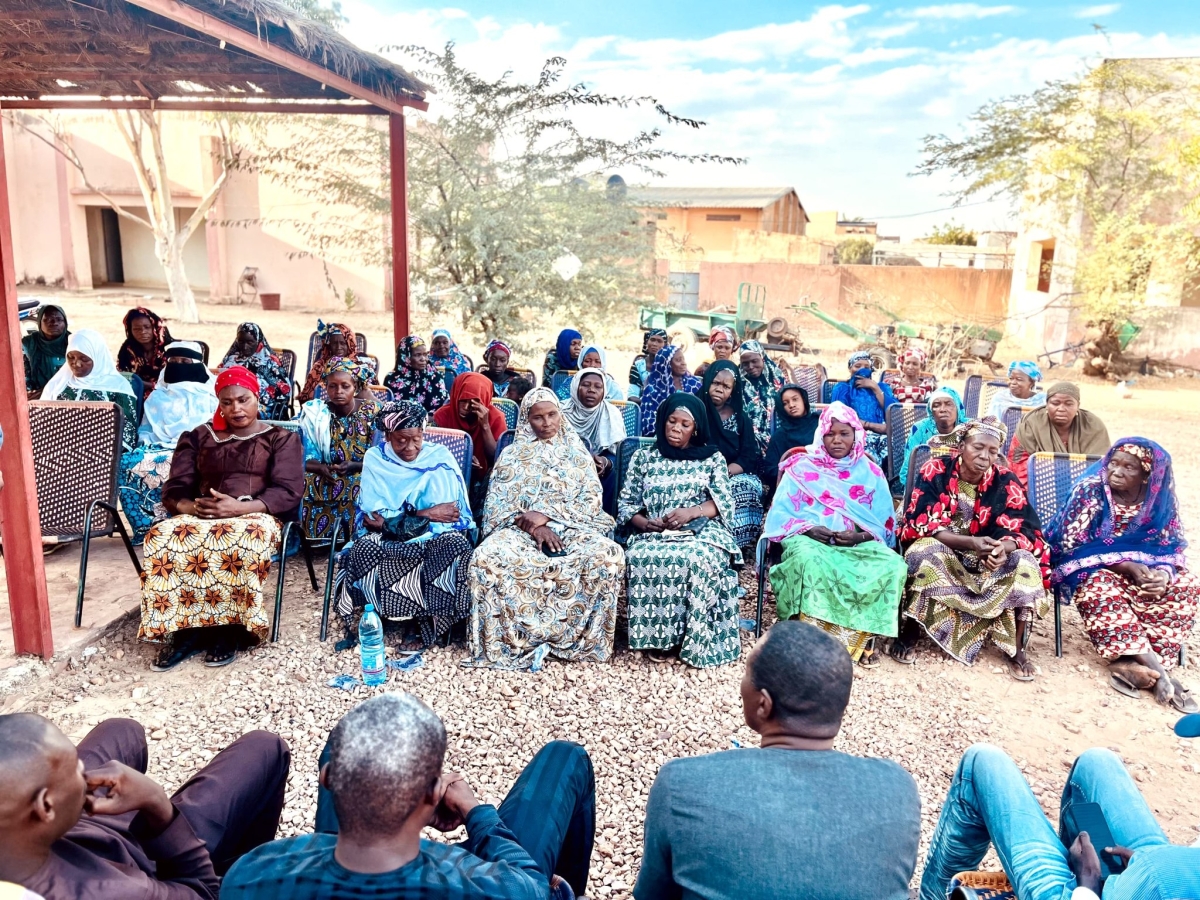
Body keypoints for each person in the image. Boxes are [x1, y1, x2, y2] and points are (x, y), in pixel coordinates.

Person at [634, 622, 920, 900]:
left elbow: (653, 894)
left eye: (746, 674)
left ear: (763, 704)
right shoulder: (897, 789)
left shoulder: (683, 785)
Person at [221, 693, 596, 900]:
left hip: (325, 871)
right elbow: (532, 885)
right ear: (433, 792)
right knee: (564, 756)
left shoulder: (248, 876)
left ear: (328, 778)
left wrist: (403, 807)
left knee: (345, 742)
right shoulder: (496, 888)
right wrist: (476, 811)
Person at [0, 712, 289, 900]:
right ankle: (235, 874)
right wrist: (157, 805)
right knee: (265, 748)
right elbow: (201, 892)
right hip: (141, 863)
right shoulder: (115, 891)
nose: (84, 770)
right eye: (77, 769)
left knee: (122, 729)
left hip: (55, 838)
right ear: (46, 807)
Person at [139, 366, 304, 671]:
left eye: (243, 400)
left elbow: (288, 491)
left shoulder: (281, 439)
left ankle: (232, 629)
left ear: (258, 399)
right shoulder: (200, 436)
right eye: (226, 402)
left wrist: (238, 509)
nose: (236, 408)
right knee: (160, 538)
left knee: (237, 539)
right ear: (218, 403)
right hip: (203, 512)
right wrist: (192, 508)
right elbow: (175, 489)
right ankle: (187, 631)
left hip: (256, 514)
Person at [919, 743, 1200, 900]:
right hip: (1156, 875)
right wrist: (1149, 868)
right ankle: (1070, 860)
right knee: (1097, 762)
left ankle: (933, 897)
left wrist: (1087, 885)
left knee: (983, 762)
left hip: (1096, 893)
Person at [467, 389, 624, 669]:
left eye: (552, 414)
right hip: (518, 531)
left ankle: (583, 644)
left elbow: (591, 502)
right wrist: (534, 528)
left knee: (609, 556)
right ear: (527, 421)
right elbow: (498, 509)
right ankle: (507, 642)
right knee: (486, 559)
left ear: (560, 415)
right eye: (537, 417)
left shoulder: (577, 454)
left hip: (574, 528)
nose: (546, 423)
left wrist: (547, 517)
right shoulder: (511, 456)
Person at [1045, 439, 1199, 714]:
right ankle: (1159, 672)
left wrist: (1163, 573)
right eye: (1113, 463)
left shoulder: (1159, 499)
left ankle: (1131, 665)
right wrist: (1124, 565)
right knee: (1097, 587)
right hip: (1094, 569)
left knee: (1186, 583)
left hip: (1146, 569)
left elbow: (1170, 546)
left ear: (1147, 475)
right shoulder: (1090, 492)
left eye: (1129, 467)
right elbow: (1066, 547)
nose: (1116, 471)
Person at [893, 417, 1050, 679]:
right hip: (947, 551)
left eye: (992, 451)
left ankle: (1016, 648)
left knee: (1024, 561)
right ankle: (911, 628)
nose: (984, 456)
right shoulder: (936, 470)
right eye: (978, 447)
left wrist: (1002, 549)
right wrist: (971, 543)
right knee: (924, 552)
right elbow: (922, 522)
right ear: (961, 446)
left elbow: (1024, 528)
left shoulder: (1005, 479)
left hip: (987, 559)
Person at [763, 402, 905, 666]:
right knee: (808, 561)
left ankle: (862, 638)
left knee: (893, 564)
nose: (837, 440)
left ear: (856, 436)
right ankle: (808, 638)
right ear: (821, 434)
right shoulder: (802, 467)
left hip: (856, 543)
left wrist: (859, 537)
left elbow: (883, 525)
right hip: (809, 540)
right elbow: (780, 516)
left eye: (844, 433)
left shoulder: (870, 472)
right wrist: (809, 528)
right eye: (830, 433)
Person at [333, 402, 474, 648]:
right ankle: (380, 612)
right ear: (388, 436)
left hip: (434, 533)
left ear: (423, 433)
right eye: (401, 441)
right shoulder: (376, 458)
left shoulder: (440, 458)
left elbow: (450, 514)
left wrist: (400, 519)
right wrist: (427, 513)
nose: (410, 448)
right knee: (366, 547)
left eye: (416, 439)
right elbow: (374, 517)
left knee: (453, 545)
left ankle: (426, 622)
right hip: (395, 531)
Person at [620, 393, 742, 667]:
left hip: (702, 530)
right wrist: (643, 522)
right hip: (654, 530)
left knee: (695, 560)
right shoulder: (644, 457)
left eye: (684, 424)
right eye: (671, 421)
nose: (676, 428)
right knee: (643, 558)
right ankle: (657, 638)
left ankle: (691, 636)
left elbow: (723, 503)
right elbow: (627, 504)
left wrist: (692, 512)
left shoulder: (712, 458)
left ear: (695, 428)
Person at [118, 342, 217, 542]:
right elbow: (146, 430)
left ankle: (193, 525)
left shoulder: (211, 396)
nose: (179, 365)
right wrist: (147, 446)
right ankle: (148, 528)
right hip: (159, 446)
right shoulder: (157, 396)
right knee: (127, 463)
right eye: (174, 361)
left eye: (185, 361)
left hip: (200, 447)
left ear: (197, 363)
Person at [296, 357, 378, 542]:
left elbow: (382, 455)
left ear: (355, 387)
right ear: (325, 386)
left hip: (363, 470)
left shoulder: (372, 413)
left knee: (357, 484)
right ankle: (314, 538)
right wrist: (320, 468)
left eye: (345, 386)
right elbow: (305, 454)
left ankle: (354, 538)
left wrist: (356, 465)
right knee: (305, 481)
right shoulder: (316, 413)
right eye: (332, 386)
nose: (338, 391)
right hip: (325, 470)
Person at [700, 360, 764, 552]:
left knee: (744, 488)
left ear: (733, 390)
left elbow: (748, 456)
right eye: (716, 383)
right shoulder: (694, 410)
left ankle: (734, 547)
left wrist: (724, 473)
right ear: (708, 381)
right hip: (698, 471)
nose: (720, 389)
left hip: (732, 472)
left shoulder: (740, 418)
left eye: (726, 386)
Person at [41, 329, 138, 450]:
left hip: (102, 453)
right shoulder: (58, 384)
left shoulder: (118, 386)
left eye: (84, 359)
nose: (76, 364)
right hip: (58, 449)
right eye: (71, 357)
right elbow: (42, 421)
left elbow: (128, 430)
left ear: (97, 357)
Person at [1008, 381, 1111, 485]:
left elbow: (1100, 466)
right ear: (1047, 405)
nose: (1061, 409)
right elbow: (1019, 465)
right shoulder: (1030, 423)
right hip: (1039, 487)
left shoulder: (1093, 425)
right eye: (1055, 403)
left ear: (1078, 406)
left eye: (1069, 404)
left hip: (1083, 487)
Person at [432, 371, 507, 510]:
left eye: (473, 403)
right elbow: (433, 455)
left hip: (482, 481)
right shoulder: (443, 415)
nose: (466, 408)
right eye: (462, 401)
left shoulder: (496, 418)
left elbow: (497, 460)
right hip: (446, 477)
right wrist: (461, 459)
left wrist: (485, 425)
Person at [560, 367, 626, 511]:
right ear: (576, 386)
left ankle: (604, 517)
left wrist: (606, 463)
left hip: (600, 465)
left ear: (604, 391)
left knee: (614, 472)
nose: (591, 390)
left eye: (598, 386)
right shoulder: (560, 411)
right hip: (564, 461)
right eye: (586, 385)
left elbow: (619, 453)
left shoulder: (612, 414)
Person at [831, 350, 897, 465]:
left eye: (867, 366)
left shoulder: (882, 387)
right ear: (850, 369)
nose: (862, 369)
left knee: (893, 451)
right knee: (868, 452)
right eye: (857, 366)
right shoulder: (843, 388)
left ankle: (889, 481)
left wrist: (875, 388)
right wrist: (870, 425)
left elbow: (894, 413)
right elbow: (839, 417)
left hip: (884, 435)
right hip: (855, 434)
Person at [896, 385, 967, 489]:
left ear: (957, 408)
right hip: (926, 486)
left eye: (949, 404)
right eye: (937, 405)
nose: (943, 409)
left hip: (962, 486)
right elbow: (908, 470)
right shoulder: (920, 429)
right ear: (931, 411)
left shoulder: (969, 429)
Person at [759, 384, 820, 496]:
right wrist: (795, 470)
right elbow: (770, 470)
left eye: (795, 399)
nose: (791, 405)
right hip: (793, 487)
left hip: (824, 481)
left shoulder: (820, 423)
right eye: (785, 403)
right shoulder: (780, 435)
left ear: (804, 400)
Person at [219, 323, 291, 417]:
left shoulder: (270, 362)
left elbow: (283, 393)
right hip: (230, 401)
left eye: (250, 342)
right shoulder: (231, 359)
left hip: (263, 406)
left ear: (258, 341)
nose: (245, 347)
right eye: (241, 342)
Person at [739, 339, 790, 455]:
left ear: (762, 357)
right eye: (745, 363)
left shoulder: (777, 377)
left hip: (778, 434)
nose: (750, 367)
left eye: (754, 361)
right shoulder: (738, 382)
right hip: (748, 439)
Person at [638, 344, 700, 437]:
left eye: (683, 359)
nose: (684, 363)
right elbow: (648, 425)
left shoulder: (694, 384)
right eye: (678, 360)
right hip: (660, 437)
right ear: (666, 364)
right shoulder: (652, 390)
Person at [115, 306, 174, 398]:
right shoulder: (127, 350)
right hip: (135, 394)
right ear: (130, 330)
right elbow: (123, 376)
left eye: (147, 327)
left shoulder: (169, 349)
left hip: (167, 395)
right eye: (136, 329)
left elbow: (177, 381)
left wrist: (149, 385)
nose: (142, 332)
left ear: (155, 327)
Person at [297, 321, 361, 404]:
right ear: (329, 346)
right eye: (334, 343)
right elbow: (306, 397)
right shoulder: (319, 367)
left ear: (349, 345)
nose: (338, 347)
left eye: (342, 343)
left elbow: (374, 392)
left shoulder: (360, 366)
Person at [384, 335, 449, 415]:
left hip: (431, 422)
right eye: (417, 355)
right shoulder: (391, 379)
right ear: (406, 357)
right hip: (400, 424)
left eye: (425, 354)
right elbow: (387, 409)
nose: (423, 359)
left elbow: (442, 409)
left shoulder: (435, 376)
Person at [22, 304, 69, 398]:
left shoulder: (73, 343)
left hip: (64, 395)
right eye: (47, 319)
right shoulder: (27, 344)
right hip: (33, 395)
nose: (54, 323)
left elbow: (78, 378)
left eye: (59, 319)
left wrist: (47, 391)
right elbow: (22, 373)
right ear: (39, 322)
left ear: (65, 323)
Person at [628, 327, 667, 401]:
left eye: (659, 341)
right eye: (652, 340)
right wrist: (648, 405)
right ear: (646, 342)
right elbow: (632, 395)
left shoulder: (671, 366)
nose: (655, 344)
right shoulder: (638, 365)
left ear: (665, 346)